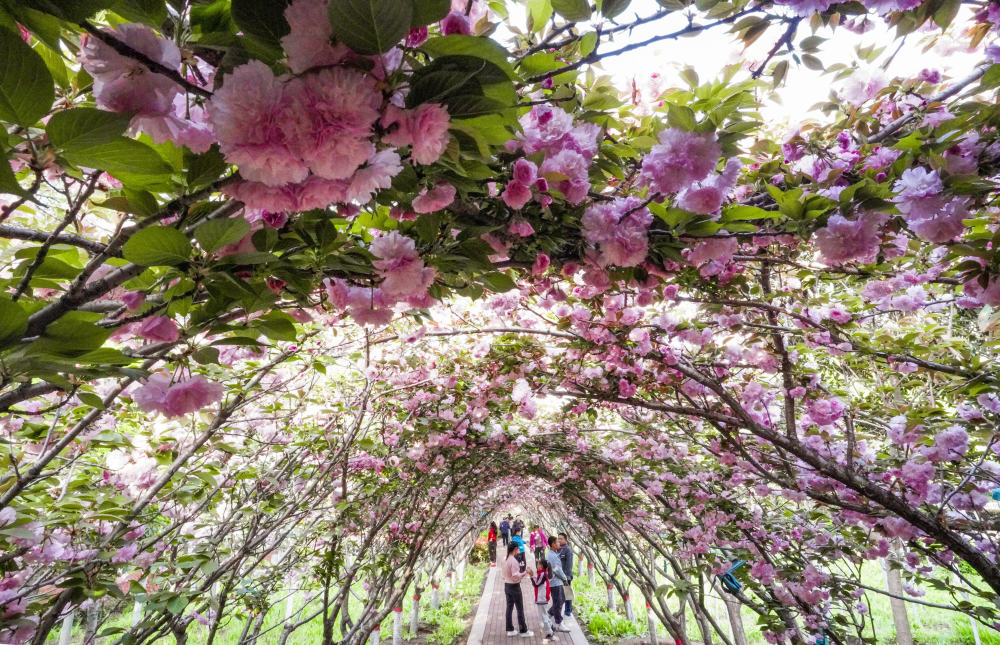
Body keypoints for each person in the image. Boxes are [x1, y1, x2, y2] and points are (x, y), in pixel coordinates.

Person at [502, 542, 533, 638]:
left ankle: (509, 629)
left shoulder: (504, 559)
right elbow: (515, 576)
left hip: (507, 585)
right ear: (515, 549)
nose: (519, 551)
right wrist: (525, 572)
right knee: (520, 609)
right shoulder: (513, 561)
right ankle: (523, 630)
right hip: (514, 587)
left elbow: (503, 574)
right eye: (518, 549)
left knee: (509, 608)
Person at [545, 536, 571, 632]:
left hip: (556, 582)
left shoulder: (553, 553)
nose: (559, 543)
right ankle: (559, 623)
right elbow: (557, 570)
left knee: (560, 601)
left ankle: (549, 615)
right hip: (555, 583)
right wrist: (565, 579)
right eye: (557, 542)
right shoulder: (551, 556)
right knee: (558, 602)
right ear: (553, 544)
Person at [530, 559, 554, 640]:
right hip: (542, 597)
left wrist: (531, 575)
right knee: (545, 613)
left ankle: (549, 632)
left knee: (543, 616)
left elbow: (536, 584)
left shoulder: (542, 574)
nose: (537, 565)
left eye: (538, 564)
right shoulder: (542, 574)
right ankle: (551, 626)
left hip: (542, 598)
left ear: (541, 566)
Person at [557, 532, 575, 617]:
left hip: (566, 576)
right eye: (558, 538)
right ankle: (558, 610)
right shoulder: (557, 549)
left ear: (566, 540)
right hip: (558, 576)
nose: (559, 540)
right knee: (559, 594)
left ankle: (568, 611)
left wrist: (567, 577)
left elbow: (569, 565)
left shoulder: (568, 550)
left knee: (567, 593)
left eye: (561, 539)